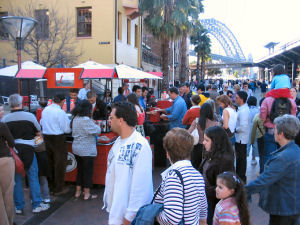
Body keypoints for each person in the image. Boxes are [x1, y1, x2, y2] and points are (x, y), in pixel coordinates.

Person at [103, 101, 153, 225]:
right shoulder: (118, 142)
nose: (109, 120)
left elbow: (141, 187)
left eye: (111, 118)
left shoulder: (140, 146)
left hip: (129, 219)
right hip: (116, 213)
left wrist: (129, 218)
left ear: (120, 121)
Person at [246, 115, 300, 225]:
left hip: (283, 209)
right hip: (292, 206)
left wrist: (239, 190)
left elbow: (263, 181)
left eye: (274, 129)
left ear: (281, 134)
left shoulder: (283, 158)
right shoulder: (295, 150)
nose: (273, 132)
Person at [2, 94, 50, 214]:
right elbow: (39, 131)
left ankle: (18, 206)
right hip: (29, 150)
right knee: (33, 177)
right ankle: (36, 204)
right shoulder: (30, 116)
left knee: (17, 179)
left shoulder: (5, 119)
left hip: (14, 152)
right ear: (21, 103)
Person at [153, 128, 208, 225]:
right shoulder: (197, 175)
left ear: (167, 153)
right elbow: (203, 212)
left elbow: (172, 218)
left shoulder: (174, 177)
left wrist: (153, 213)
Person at [199, 126, 235, 225]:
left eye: (207, 140)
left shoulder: (224, 160)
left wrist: (202, 190)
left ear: (216, 141)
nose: (203, 142)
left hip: (213, 203)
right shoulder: (211, 154)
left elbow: (225, 187)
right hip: (207, 200)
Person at [40, 94, 71, 195]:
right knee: (60, 164)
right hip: (58, 139)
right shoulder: (60, 112)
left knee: (50, 163)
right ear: (62, 102)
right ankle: (58, 188)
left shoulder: (45, 110)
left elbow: (41, 123)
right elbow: (66, 129)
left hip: (46, 137)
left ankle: (50, 186)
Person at [71, 100, 101, 200]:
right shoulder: (85, 119)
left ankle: (77, 192)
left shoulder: (75, 118)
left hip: (76, 149)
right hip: (87, 150)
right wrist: (95, 124)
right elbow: (97, 131)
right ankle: (87, 194)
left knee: (80, 171)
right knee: (88, 172)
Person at [188, 103, 220, 169]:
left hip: (198, 147)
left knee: (196, 167)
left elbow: (188, 132)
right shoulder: (216, 123)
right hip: (211, 148)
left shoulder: (197, 121)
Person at [0, 103, 15, 225]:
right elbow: (11, 142)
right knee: (7, 193)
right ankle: (9, 221)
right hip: (4, 160)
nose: (2, 112)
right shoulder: (2, 125)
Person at [234, 91, 251, 183]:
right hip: (239, 138)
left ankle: (241, 179)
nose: (235, 99)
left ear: (241, 99)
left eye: (236, 97)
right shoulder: (242, 109)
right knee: (240, 160)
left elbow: (243, 127)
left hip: (241, 139)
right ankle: (239, 178)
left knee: (241, 160)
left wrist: (235, 129)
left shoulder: (244, 110)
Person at [250, 98, 266, 173]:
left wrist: (252, 141)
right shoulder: (273, 114)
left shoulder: (258, 116)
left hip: (260, 138)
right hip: (272, 138)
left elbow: (253, 130)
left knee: (262, 156)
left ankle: (262, 172)